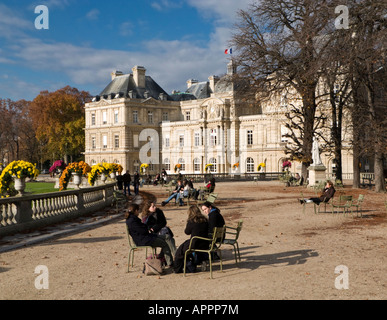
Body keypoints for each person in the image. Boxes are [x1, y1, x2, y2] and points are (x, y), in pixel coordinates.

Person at [125, 203, 174, 267]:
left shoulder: (132, 219)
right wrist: (146, 228)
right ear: (136, 211)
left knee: (167, 237)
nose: (139, 212)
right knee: (164, 243)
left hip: (146, 237)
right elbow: (143, 230)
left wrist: (146, 228)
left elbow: (144, 228)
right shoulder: (133, 221)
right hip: (144, 240)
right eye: (138, 210)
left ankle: (171, 258)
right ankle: (170, 263)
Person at [173, 205, 209, 273]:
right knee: (185, 246)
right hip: (205, 243)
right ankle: (196, 262)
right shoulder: (205, 220)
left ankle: (178, 269)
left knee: (180, 251)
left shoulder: (192, 221)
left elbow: (187, 232)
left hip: (194, 243)